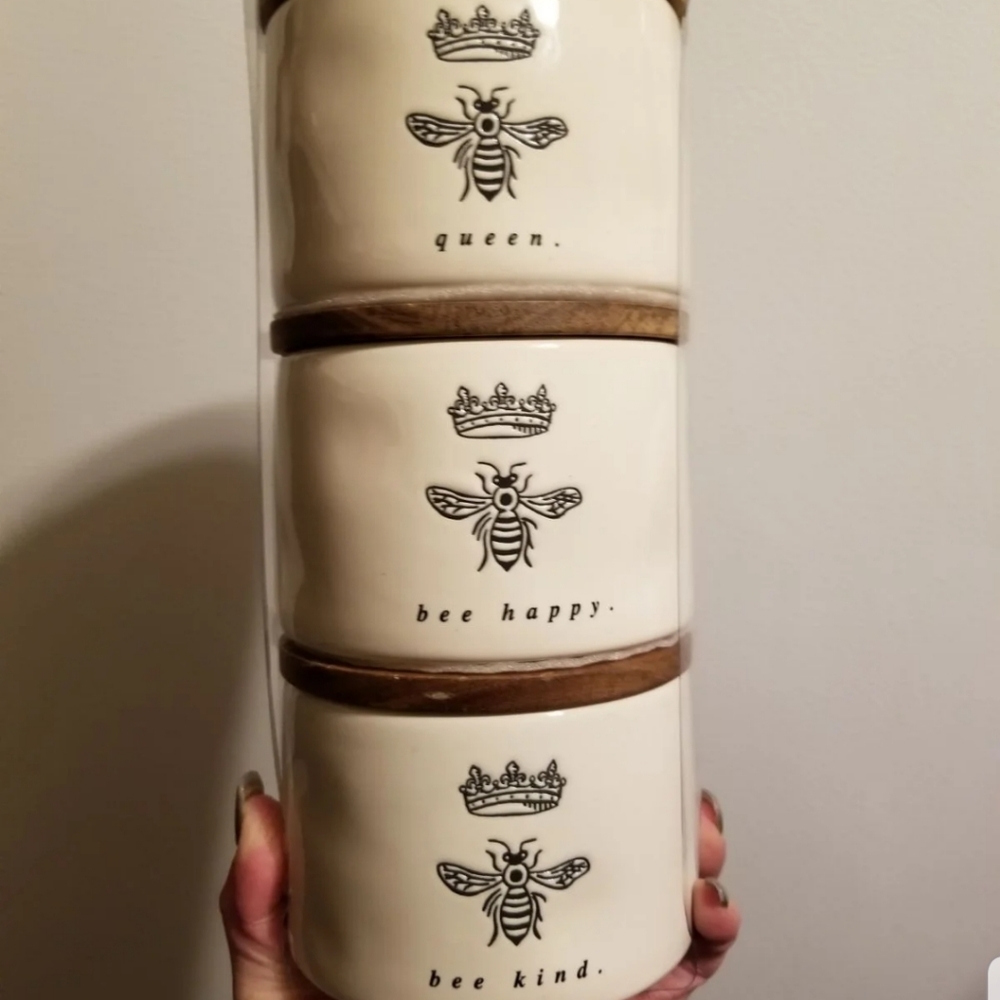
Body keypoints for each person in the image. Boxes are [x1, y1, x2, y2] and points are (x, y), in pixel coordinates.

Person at [221, 773, 741, 1000]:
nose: (516, 867)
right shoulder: (532, 879)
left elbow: (477, 883)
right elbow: (551, 879)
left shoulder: (498, 881)